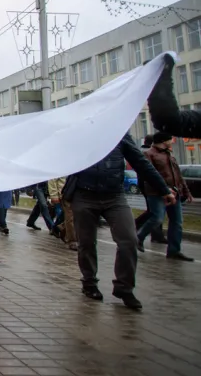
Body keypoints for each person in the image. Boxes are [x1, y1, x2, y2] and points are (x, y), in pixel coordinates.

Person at [63, 132, 173, 310]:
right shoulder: (80, 133)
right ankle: (89, 282)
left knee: (129, 240)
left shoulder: (120, 132)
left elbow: (141, 163)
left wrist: (163, 189)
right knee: (86, 243)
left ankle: (124, 287)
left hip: (114, 196)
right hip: (84, 195)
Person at [137, 132, 193, 261]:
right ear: (163, 140)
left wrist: (186, 191)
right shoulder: (149, 154)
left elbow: (178, 175)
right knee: (157, 218)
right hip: (156, 194)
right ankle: (139, 238)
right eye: (170, 139)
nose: (172, 141)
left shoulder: (169, 154)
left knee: (177, 222)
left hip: (175, 192)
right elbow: (148, 175)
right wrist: (162, 189)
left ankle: (174, 250)